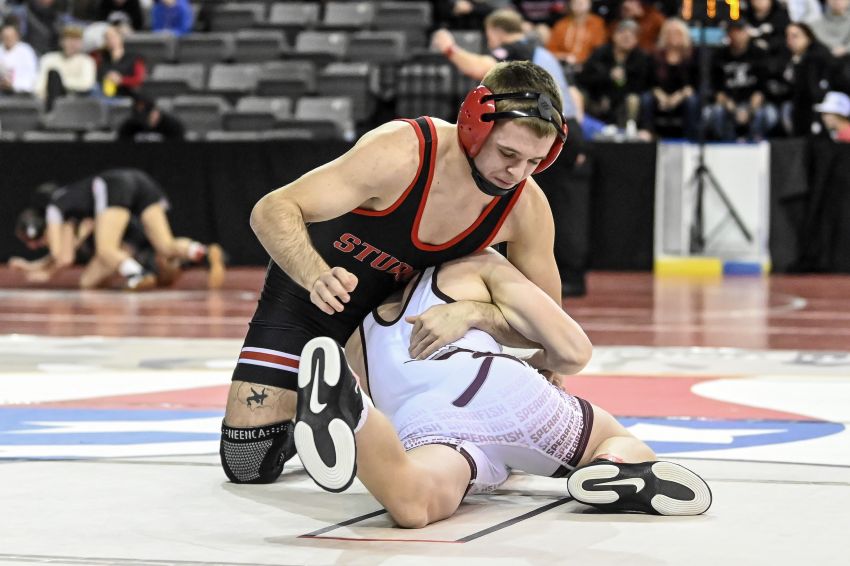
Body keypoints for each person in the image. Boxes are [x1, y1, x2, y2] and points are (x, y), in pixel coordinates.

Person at [220, 60, 570, 485]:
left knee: (477, 284)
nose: (516, 173)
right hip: (311, 299)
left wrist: (477, 315)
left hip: (401, 328)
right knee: (247, 460)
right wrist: (314, 274)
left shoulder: (525, 207)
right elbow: (272, 209)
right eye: (508, 153)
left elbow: (548, 327)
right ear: (474, 125)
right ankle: (315, 409)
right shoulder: (403, 152)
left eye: (535, 161)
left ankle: (361, 407)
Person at [292, 250, 713, 525]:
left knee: (413, 502)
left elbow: (383, 400)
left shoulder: (354, 332)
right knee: (616, 436)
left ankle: (353, 416)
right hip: (499, 388)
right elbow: (573, 351)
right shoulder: (472, 266)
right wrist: (480, 313)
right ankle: (616, 463)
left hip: (430, 427)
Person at [13, 169, 225, 290]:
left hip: (113, 185)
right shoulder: (71, 205)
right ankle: (202, 251)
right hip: (140, 181)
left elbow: (61, 256)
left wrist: (41, 273)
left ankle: (138, 274)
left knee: (106, 249)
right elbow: (66, 255)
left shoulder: (54, 209)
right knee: (166, 244)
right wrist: (33, 267)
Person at [706, 21, 776, 141]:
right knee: (715, 113)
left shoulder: (759, 54)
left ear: (747, 33)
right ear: (728, 35)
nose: (738, 36)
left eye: (741, 32)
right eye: (734, 32)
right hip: (729, 103)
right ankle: (727, 144)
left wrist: (750, 110)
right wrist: (732, 108)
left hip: (752, 102)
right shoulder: (719, 56)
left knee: (768, 114)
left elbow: (762, 88)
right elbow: (716, 89)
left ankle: (754, 143)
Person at [579, 19, 649, 130]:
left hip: (623, 102)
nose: (627, 38)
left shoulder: (641, 58)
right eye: (623, 34)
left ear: (636, 40)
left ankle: (630, 132)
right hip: (597, 99)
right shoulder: (600, 53)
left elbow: (641, 86)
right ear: (614, 36)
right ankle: (580, 132)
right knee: (579, 95)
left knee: (633, 99)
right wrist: (608, 76)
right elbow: (584, 78)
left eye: (631, 36)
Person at [640, 18, 699, 139]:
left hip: (683, 96)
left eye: (677, 33)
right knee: (646, 99)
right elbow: (649, 82)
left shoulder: (693, 55)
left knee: (692, 101)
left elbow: (695, 83)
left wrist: (678, 96)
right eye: (669, 33)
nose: (673, 36)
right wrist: (661, 96)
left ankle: (690, 138)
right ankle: (648, 136)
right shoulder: (655, 55)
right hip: (659, 96)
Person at [34, 25, 96, 111]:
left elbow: (86, 84)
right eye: (69, 39)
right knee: (53, 74)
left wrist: (60, 82)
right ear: (61, 41)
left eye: (76, 40)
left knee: (55, 78)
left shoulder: (87, 61)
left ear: (81, 43)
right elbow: (38, 86)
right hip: (48, 101)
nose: (72, 44)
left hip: (76, 104)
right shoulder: (48, 59)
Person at [546, 0, 609, 69]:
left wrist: (582, 61)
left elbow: (599, 49)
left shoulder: (597, 23)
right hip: (563, 65)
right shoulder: (561, 24)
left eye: (583, 2)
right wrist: (564, 56)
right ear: (570, 4)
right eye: (575, 2)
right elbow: (551, 50)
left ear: (590, 4)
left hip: (588, 66)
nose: (579, 4)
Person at [93, 24, 145, 98]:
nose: (111, 40)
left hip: (128, 96)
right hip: (106, 96)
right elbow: (96, 78)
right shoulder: (101, 58)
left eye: (113, 37)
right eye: (107, 38)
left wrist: (121, 80)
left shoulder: (134, 57)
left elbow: (139, 79)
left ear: (121, 38)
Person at [117, 93, 185, 141]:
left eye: (147, 114)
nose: (143, 119)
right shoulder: (128, 127)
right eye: (139, 116)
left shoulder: (173, 126)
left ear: (156, 111)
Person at [0, 19, 38, 95]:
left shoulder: (26, 51)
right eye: (5, 37)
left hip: (20, 93)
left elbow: (32, 76)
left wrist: (12, 84)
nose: (8, 39)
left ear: (17, 36)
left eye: (11, 36)